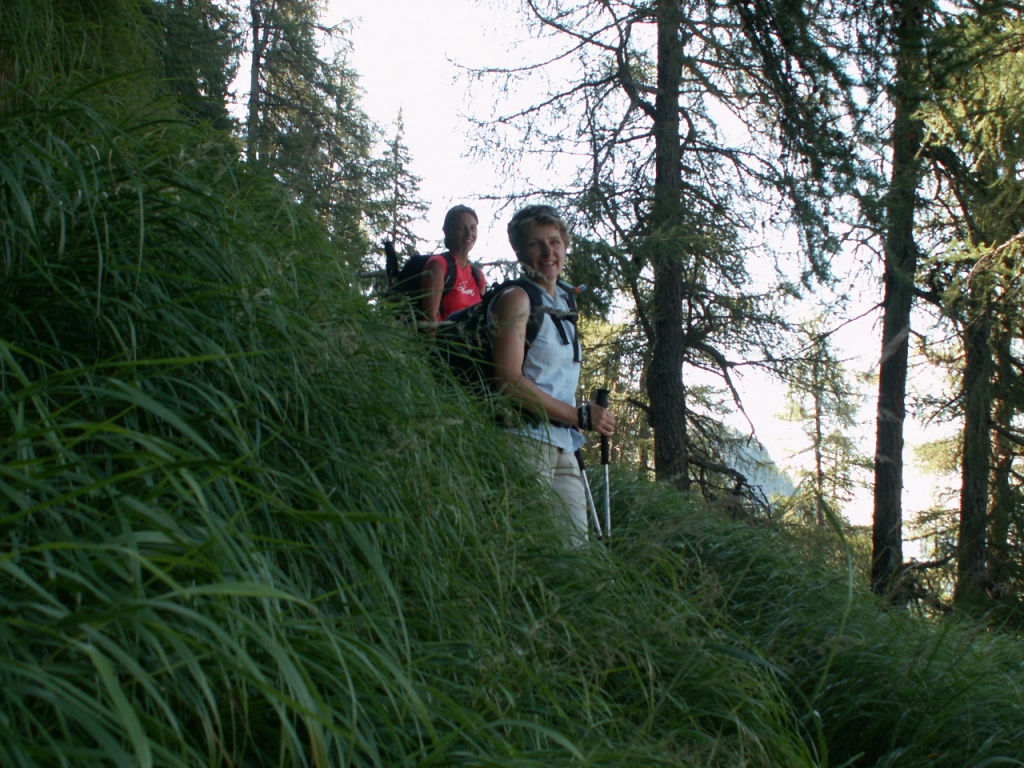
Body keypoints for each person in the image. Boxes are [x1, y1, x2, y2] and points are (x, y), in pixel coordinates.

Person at [489, 204, 615, 544]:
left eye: (555, 242)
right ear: (519, 253)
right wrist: (578, 416)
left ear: (565, 246)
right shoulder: (516, 299)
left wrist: (579, 418)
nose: (548, 252)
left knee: (574, 554)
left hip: (563, 442)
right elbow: (508, 382)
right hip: (522, 440)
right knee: (528, 548)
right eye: (536, 244)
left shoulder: (564, 300)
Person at [419, 204, 485, 324]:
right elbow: (429, 319)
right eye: (460, 228)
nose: (469, 233)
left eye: (473, 228)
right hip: (444, 335)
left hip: (472, 335)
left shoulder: (478, 276)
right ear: (448, 231)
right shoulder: (439, 265)